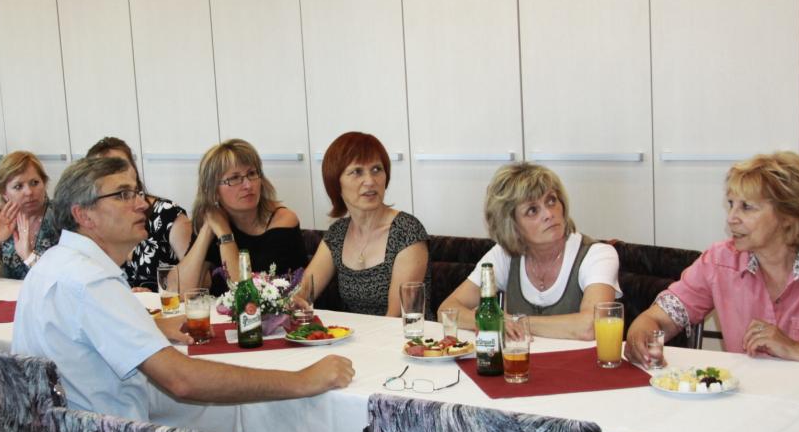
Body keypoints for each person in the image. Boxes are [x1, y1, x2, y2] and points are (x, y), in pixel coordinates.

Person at [12, 156, 354, 421]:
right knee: (248, 429)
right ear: (84, 215)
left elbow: (87, 331)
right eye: (123, 195)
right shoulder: (92, 281)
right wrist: (303, 380)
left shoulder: (53, 263)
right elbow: (182, 381)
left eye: (137, 192)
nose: (142, 204)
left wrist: (149, 325)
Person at [625, 151, 799, 366]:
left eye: (747, 207)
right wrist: (641, 334)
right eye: (731, 204)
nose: (732, 218)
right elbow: (657, 319)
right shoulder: (719, 260)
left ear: (789, 215)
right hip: (748, 402)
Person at [440, 162, 621, 340]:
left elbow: (591, 326)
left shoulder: (597, 254)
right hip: (522, 358)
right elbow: (446, 310)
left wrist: (515, 322)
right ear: (511, 225)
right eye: (533, 210)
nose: (549, 214)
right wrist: (486, 321)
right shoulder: (504, 255)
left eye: (551, 200)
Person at [300, 132, 429, 316]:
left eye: (376, 169)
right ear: (335, 182)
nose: (370, 181)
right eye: (357, 172)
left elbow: (395, 318)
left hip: (404, 332)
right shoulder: (337, 233)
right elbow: (302, 294)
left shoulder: (407, 231)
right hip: (353, 332)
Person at [178, 139, 308, 296]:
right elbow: (179, 291)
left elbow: (245, 295)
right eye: (234, 178)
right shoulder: (214, 222)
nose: (248, 185)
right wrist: (207, 229)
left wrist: (224, 233)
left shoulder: (283, 220)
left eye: (252, 174)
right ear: (213, 191)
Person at [85, 137, 192, 289]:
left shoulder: (167, 214)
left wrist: (155, 296)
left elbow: (200, 281)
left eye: (122, 165)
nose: (117, 174)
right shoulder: (95, 224)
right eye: (106, 169)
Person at [0, 151, 61, 280]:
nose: (29, 192)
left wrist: (30, 257)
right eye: (18, 186)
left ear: (44, 183)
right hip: (13, 292)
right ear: (4, 193)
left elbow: (67, 278)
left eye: (34, 183)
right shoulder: (0, 219)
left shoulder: (62, 215)